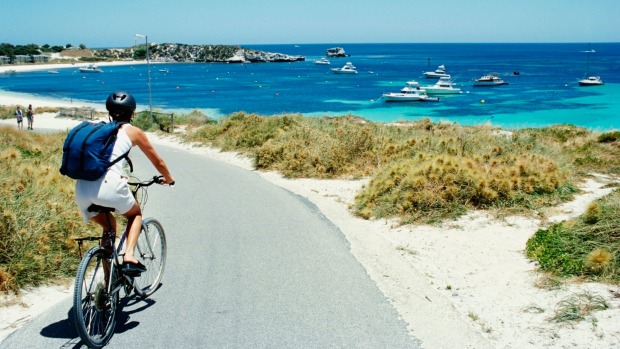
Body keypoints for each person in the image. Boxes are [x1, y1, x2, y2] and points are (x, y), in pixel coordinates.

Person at [74, 91, 175, 273]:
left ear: (110, 113)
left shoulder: (100, 131)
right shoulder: (133, 131)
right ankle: (129, 255)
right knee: (135, 214)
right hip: (109, 186)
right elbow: (158, 162)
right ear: (132, 113)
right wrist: (169, 179)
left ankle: (106, 284)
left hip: (82, 189)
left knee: (110, 227)